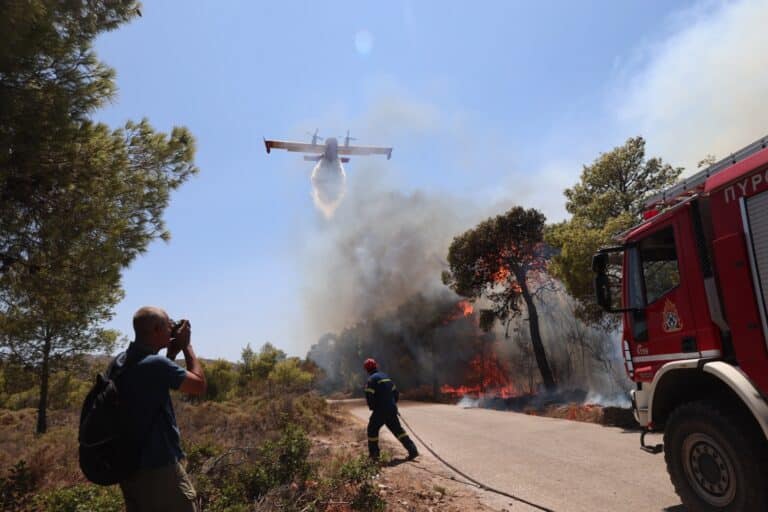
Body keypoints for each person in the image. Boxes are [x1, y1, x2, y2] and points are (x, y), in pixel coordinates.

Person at [117, 306, 207, 512]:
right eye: (169, 325)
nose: (172, 330)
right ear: (157, 329)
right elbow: (198, 385)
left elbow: (151, 383)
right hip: (158, 467)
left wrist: (171, 353)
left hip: (129, 468)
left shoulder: (122, 361)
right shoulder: (155, 364)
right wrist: (187, 347)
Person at [363, 358, 418, 461]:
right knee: (398, 431)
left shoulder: (371, 380)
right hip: (391, 409)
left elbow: (369, 397)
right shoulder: (386, 377)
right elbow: (396, 393)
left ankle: (374, 455)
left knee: (372, 430)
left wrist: (374, 407)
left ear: (366, 369)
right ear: (376, 366)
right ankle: (413, 450)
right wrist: (392, 404)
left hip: (380, 411)